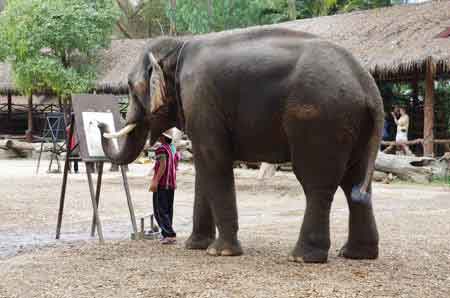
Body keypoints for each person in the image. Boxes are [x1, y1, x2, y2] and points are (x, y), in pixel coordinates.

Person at [149, 129, 180, 244]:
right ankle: (167, 233)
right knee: (168, 210)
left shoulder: (161, 149)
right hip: (171, 184)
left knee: (160, 210)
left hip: (162, 184)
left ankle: (169, 234)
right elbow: (175, 166)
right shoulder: (173, 149)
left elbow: (162, 166)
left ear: (162, 137)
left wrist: (155, 181)